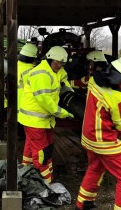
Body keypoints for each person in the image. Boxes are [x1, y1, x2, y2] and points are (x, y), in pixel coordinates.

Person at [76, 55, 121, 210]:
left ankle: (83, 204)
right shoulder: (118, 98)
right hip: (105, 143)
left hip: (88, 139)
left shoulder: (94, 81)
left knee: (95, 168)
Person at [18, 46, 74, 183]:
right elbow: (45, 100)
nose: (60, 66)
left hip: (42, 119)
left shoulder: (56, 70)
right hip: (34, 120)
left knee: (43, 144)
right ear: (49, 59)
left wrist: (70, 92)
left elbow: (64, 79)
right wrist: (63, 113)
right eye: (57, 63)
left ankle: (25, 168)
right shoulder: (40, 74)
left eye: (63, 63)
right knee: (41, 150)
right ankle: (46, 182)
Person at [17, 43, 39, 165]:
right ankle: (30, 164)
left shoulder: (15, 65)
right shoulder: (32, 71)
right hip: (28, 106)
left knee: (27, 136)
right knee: (32, 138)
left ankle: (26, 163)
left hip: (17, 104)